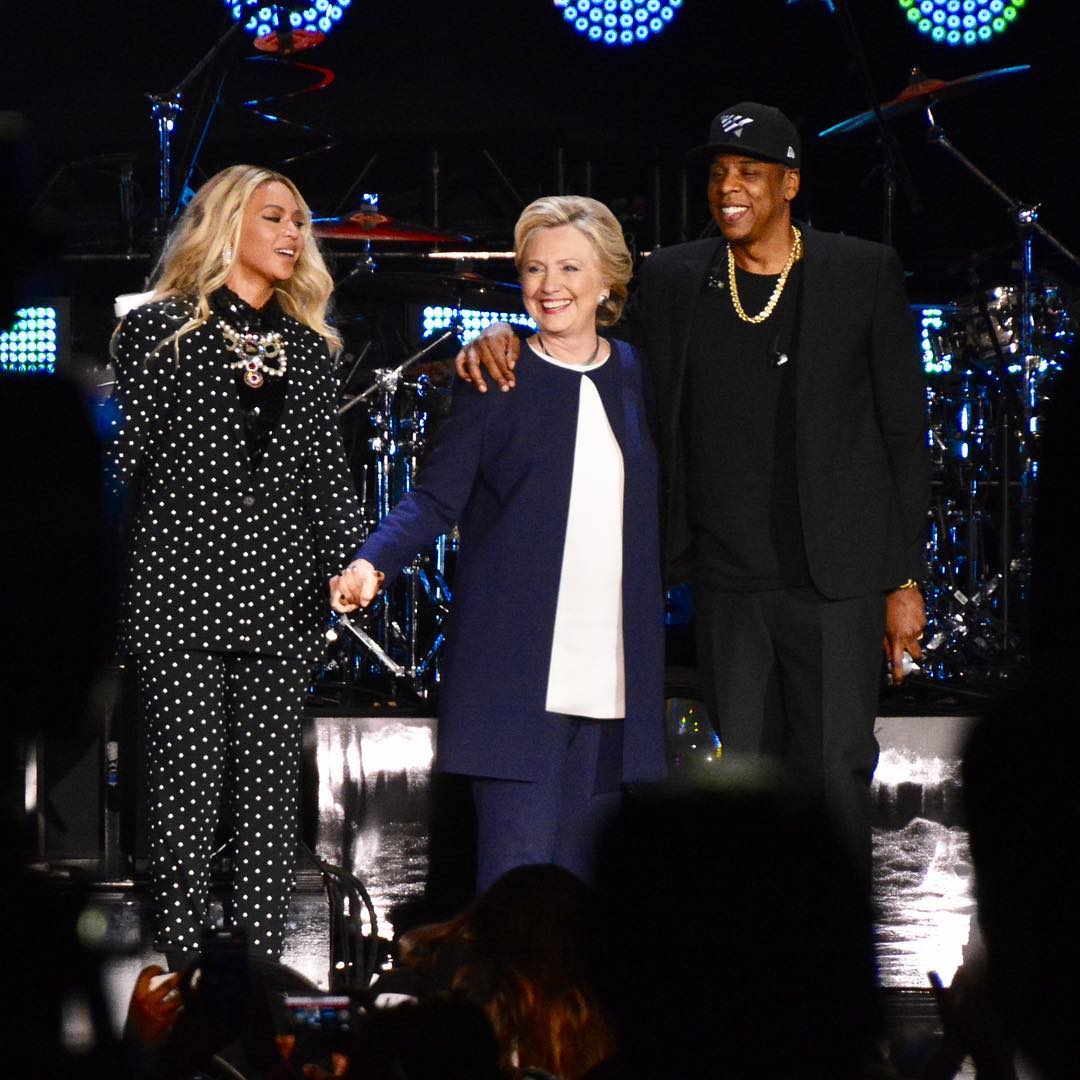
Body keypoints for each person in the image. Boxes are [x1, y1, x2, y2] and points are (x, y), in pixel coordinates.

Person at [456, 103, 929, 875]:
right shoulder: (678, 276)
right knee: (743, 785)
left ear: (790, 184)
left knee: (834, 775)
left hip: (837, 581)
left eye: (748, 172)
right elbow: (596, 355)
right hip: (726, 579)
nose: (729, 187)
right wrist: (509, 338)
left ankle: (829, 971)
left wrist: (904, 578)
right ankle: (754, 972)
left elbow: (905, 435)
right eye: (718, 174)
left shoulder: (860, 271)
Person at [333, 195, 665, 893]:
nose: (550, 286)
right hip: (519, 684)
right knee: (513, 900)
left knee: (588, 909)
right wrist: (372, 561)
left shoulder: (637, 373)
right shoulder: (496, 376)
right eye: (535, 269)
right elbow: (435, 497)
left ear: (607, 281)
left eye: (570, 268)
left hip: (613, 686)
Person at [107, 164, 361, 965]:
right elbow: (120, 463)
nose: (293, 234)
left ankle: (254, 982)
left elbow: (327, 475)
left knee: (265, 809)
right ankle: (183, 974)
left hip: (280, 604)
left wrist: (356, 562)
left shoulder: (310, 351)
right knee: (181, 802)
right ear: (228, 226)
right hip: (179, 600)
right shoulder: (161, 330)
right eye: (276, 217)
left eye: (300, 222)